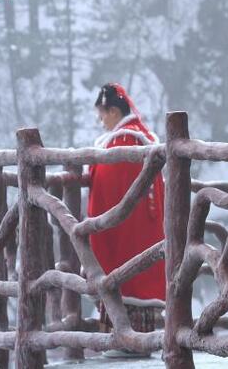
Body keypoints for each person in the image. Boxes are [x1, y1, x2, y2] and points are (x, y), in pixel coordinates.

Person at [87, 83, 166, 342]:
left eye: (102, 114)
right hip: (142, 228)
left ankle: (125, 338)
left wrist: (97, 223)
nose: (101, 121)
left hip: (126, 230)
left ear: (112, 111)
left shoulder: (124, 141)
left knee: (125, 278)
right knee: (141, 276)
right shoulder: (138, 137)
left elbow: (110, 186)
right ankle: (141, 337)